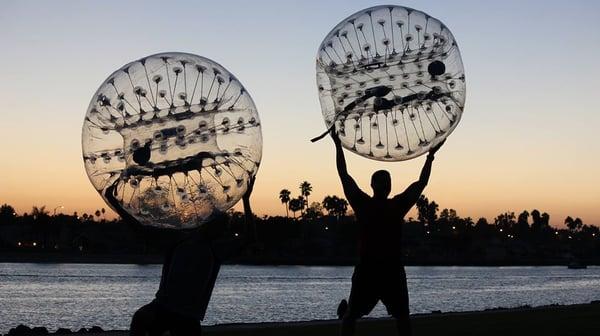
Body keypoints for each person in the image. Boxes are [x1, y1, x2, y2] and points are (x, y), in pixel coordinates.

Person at [330, 130, 444, 336]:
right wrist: (430, 157)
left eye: (386, 181)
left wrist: (338, 146)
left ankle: (345, 313)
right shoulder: (392, 205)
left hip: (380, 270)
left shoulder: (366, 204)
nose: (384, 184)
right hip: (380, 270)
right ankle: (345, 313)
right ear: (379, 186)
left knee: (366, 317)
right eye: (383, 181)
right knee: (395, 318)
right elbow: (420, 183)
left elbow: (344, 175)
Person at [129, 177, 256, 336]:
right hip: (165, 308)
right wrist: (114, 203)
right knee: (140, 319)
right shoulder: (184, 240)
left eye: (222, 227)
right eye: (220, 226)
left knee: (141, 319)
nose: (221, 231)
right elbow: (141, 230)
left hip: (185, 315)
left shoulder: (212, 249)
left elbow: (249, 237)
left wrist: (246, 200)